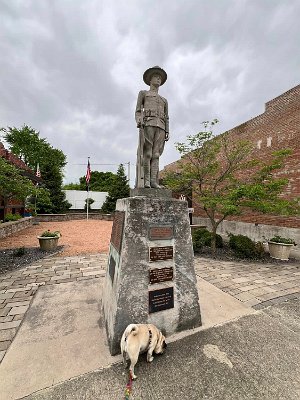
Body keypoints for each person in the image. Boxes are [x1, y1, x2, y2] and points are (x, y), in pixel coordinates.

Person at [135, 66, 169, 189]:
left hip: (161, 126)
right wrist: (139, 120)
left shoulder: (164, 100)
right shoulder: (143, 93)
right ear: (150, 79)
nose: (158, 79)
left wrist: (167, 130)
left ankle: (154, 181)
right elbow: (138, 111)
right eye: (156, 77)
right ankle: (146, 181)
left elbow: (167, 117)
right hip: (148, 124)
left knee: (156, 155)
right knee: (147, 153)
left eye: (160, 78)